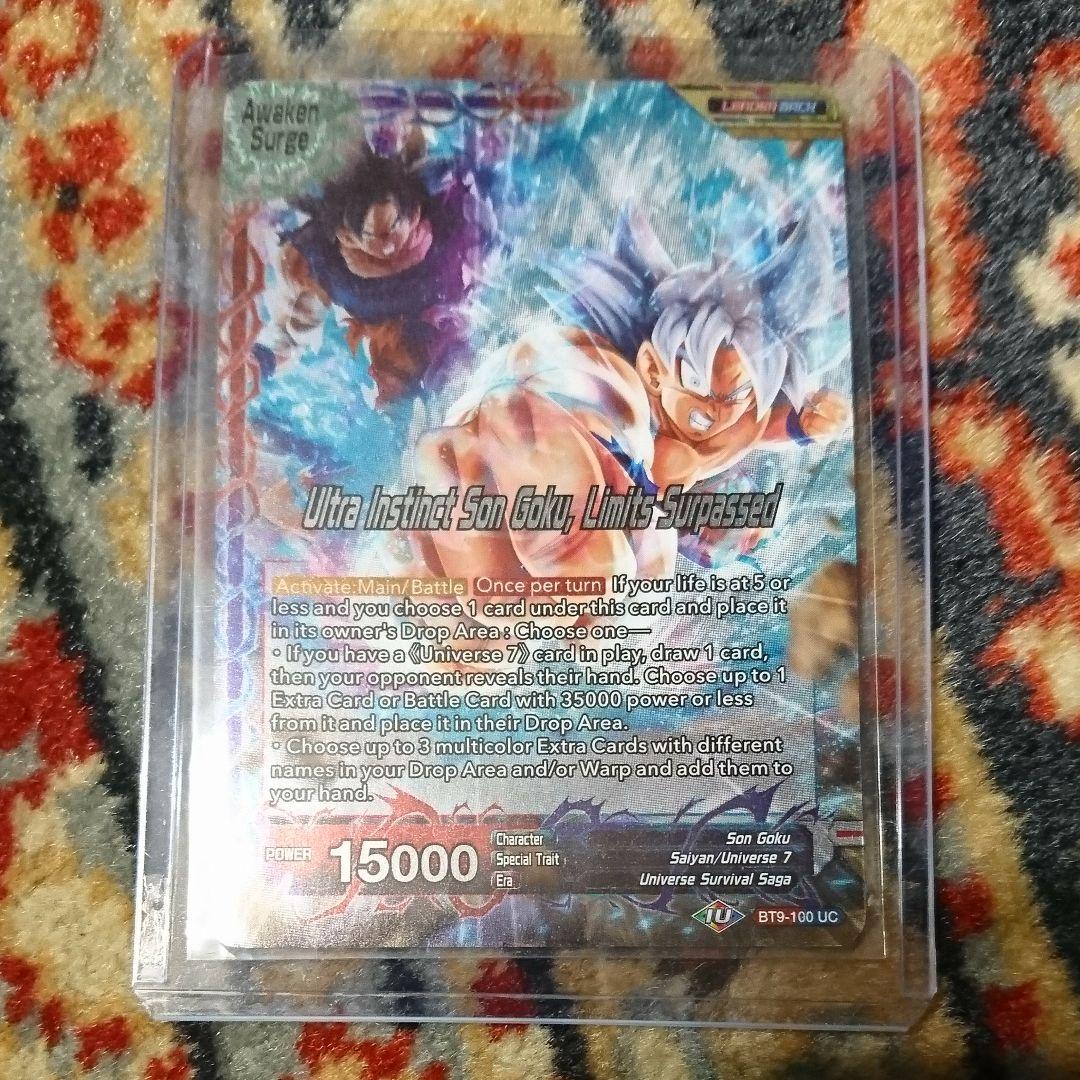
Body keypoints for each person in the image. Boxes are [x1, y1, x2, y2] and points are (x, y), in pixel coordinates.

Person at [410, 203, 851, 588]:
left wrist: (804, 426)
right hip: (555, 418)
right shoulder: (634, 406)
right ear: (656, 370)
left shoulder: (726, 436)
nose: (718, 412)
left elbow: (758, 431)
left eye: (734, 395)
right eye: (701, 386)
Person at [255, 128, 497, 405]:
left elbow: (304, 309)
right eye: (396, 371)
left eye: (381, 372)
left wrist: (272, 355)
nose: (375, 369)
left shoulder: (356, 293)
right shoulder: (449, 284)